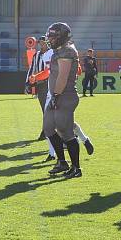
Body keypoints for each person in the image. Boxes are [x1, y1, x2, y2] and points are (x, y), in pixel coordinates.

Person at [43, 23, 82, 179]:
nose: (50, 40)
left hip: (65, 96)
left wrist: (56, 96)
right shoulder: (59, 51)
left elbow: (63, 76)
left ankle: (76, 167)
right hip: (57, 95)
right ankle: (62, 162)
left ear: (61, 37)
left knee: (66, 132)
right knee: (48, 128)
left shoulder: (67, 51)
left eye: (53, 37)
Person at [26, 36, 50, 144]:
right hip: (41, 84)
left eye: (44, 42)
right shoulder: (37, 55)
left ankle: (47, 131)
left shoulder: (52, 53)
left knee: (50, 109)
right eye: (40, 43)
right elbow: (32, 69)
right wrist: (28, 82)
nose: (42, 44)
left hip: (51, 83)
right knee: (44, 109)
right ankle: (47, 130)